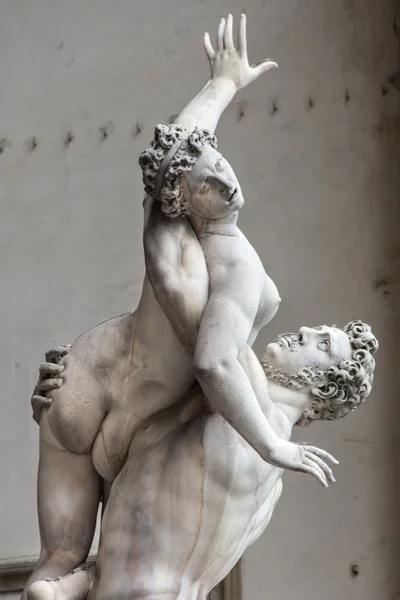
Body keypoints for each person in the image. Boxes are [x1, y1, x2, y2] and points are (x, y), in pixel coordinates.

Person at [23, 14, 341, 597]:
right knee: (60, 562)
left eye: (221, 166)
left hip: (97, 390)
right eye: (207, 181)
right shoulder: (222, 267)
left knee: (56, 565)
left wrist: (222, 88)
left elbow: (179, 152)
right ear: (184, 198)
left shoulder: (191, 245)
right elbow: (214, 364)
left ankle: (77, 580)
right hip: (104, 397)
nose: (224, 179)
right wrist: (221, 88)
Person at [28, 321, 378, 600]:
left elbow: (208, 296)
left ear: (325, 389)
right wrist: (64, 411)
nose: (304, 332)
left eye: (323, 344)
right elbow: (140, 529)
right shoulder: (271, 488)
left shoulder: (248, 395)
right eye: (315, 330)